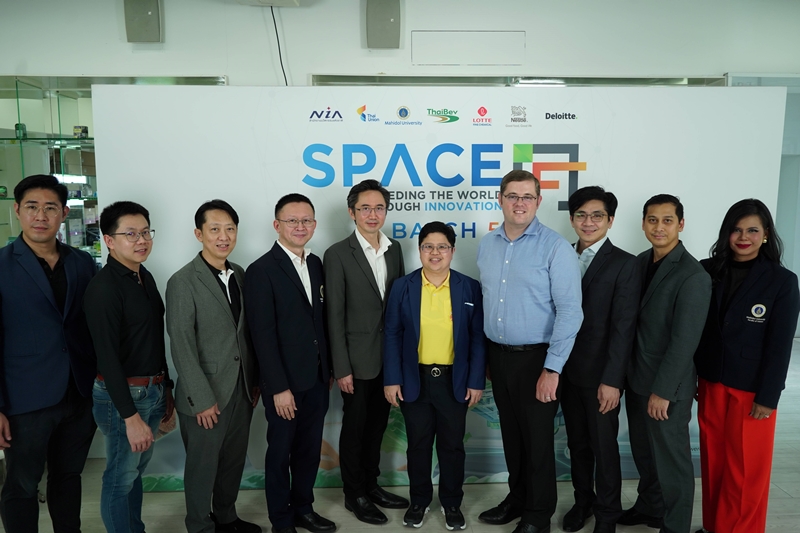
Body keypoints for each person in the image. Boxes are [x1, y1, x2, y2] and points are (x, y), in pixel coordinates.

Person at [477, 169, 583, 533]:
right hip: (498, 356)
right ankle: (517, 499)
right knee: (512, 436)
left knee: (537, 442)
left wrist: (552, 369)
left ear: (538, 201)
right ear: (500, 199)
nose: (519, 203)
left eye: (527, 197)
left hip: (538, 359)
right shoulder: (487, 245)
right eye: (512, 196)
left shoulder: (555, 247)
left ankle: (538, 516)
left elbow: (570, 312)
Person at [693, 199, 800, 533]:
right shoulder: (707, 270)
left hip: (752, 390)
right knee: (714, 462)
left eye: (752, 230)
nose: (743, 237)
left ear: (765, 234)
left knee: (746, 470)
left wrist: (769, 396)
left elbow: (780, 345)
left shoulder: (782, 280)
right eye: (736, 230)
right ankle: (714, 527)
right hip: (711, 381)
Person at [0, 174, 97, 533]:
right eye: (32, 207)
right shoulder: (2, 265)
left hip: (79, 393)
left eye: (50, 208)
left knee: (68, 477)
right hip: (24, 399)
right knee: (22, 485)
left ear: (64, 213)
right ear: (17, 210)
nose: (41, 216)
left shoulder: (82, 263)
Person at [383, 222, 486, 530]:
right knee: (418, 445)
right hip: (414, 379)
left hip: (455, 381)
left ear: (452, 251)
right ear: (420, 250)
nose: (435, 253)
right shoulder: (403, 286)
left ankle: (452, 503)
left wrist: (476, 381)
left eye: (442, 247)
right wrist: (392, 378)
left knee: (452, 446)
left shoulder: (469, 287)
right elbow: (392, 334)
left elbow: (478, 337)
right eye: (428, 246)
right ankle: (419, 501)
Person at [166, 200, 261, 533]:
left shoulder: (241, 275)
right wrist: (201, 398)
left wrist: (254, 381)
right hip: (205, 395)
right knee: (202, 467)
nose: (224, 236)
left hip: (241, 389)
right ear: (199, 234)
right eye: (215, 229)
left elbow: (246, 335)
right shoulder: (183, 281)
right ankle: (199, 525)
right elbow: (181, 344)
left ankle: (226, 517)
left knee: (233, 461)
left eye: (230, 229)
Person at [619, 194, 711, 533]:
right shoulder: (640, 262)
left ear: (680, 225)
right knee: (645, 454)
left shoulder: (693, 275)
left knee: (673, 462)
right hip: (636, 379)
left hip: (667, 387)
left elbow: (684, 343)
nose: (659, 227)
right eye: (653, 220)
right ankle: (650, 507)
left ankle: (675, 526)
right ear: (643, 223)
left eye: (667, 220)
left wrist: (663, 391)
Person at [244, 193, 335, 533]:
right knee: (280, 453)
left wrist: (327, 368)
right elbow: (262, 336)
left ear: (314, 224)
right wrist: (278, 388)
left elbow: (319, 322)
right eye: (292, 220)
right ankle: (281, 520)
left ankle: (304, 509)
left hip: (316, 378)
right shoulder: (261, 270)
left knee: (309, 451)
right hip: (284, 384)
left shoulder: (316, 264)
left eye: (306, 220)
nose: (300, 226)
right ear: (277, 224)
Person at [84, 200, 175, 533]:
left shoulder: (143, 276)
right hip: (122, 399)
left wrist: (166, 388)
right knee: (120, 478)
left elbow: (152, 339)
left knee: (134, 473)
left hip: (152, 390)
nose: (142, 240)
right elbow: (107, 357)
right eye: (131, 234)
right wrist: (130, 417)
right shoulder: (104, 288)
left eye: (146, 232)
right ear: (109, 240)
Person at [323, 179, 408, 524]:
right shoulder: (337, 254)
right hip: (356, 362)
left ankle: (371, 485)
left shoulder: (394, 248)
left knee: (377, 426)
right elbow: (334, 316)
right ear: (352, 212)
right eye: (365, 208)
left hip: (387, 360)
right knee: (355, 429)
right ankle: (354, 493)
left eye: (379, 208)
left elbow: (399, 307)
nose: (373, 215)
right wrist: (341, 367)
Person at [560, 187, 639, 533]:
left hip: (601, 377)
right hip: (565, 371)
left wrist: (612, 381)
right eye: (581, 215)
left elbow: (624, 328)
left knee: (604, 448)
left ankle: (607, 514)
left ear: (610, 220)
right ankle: (583, 502)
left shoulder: (625, 263)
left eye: (597, 216)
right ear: (572, 219)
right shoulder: (560, 254)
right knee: (577, 444)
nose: (588, 222)